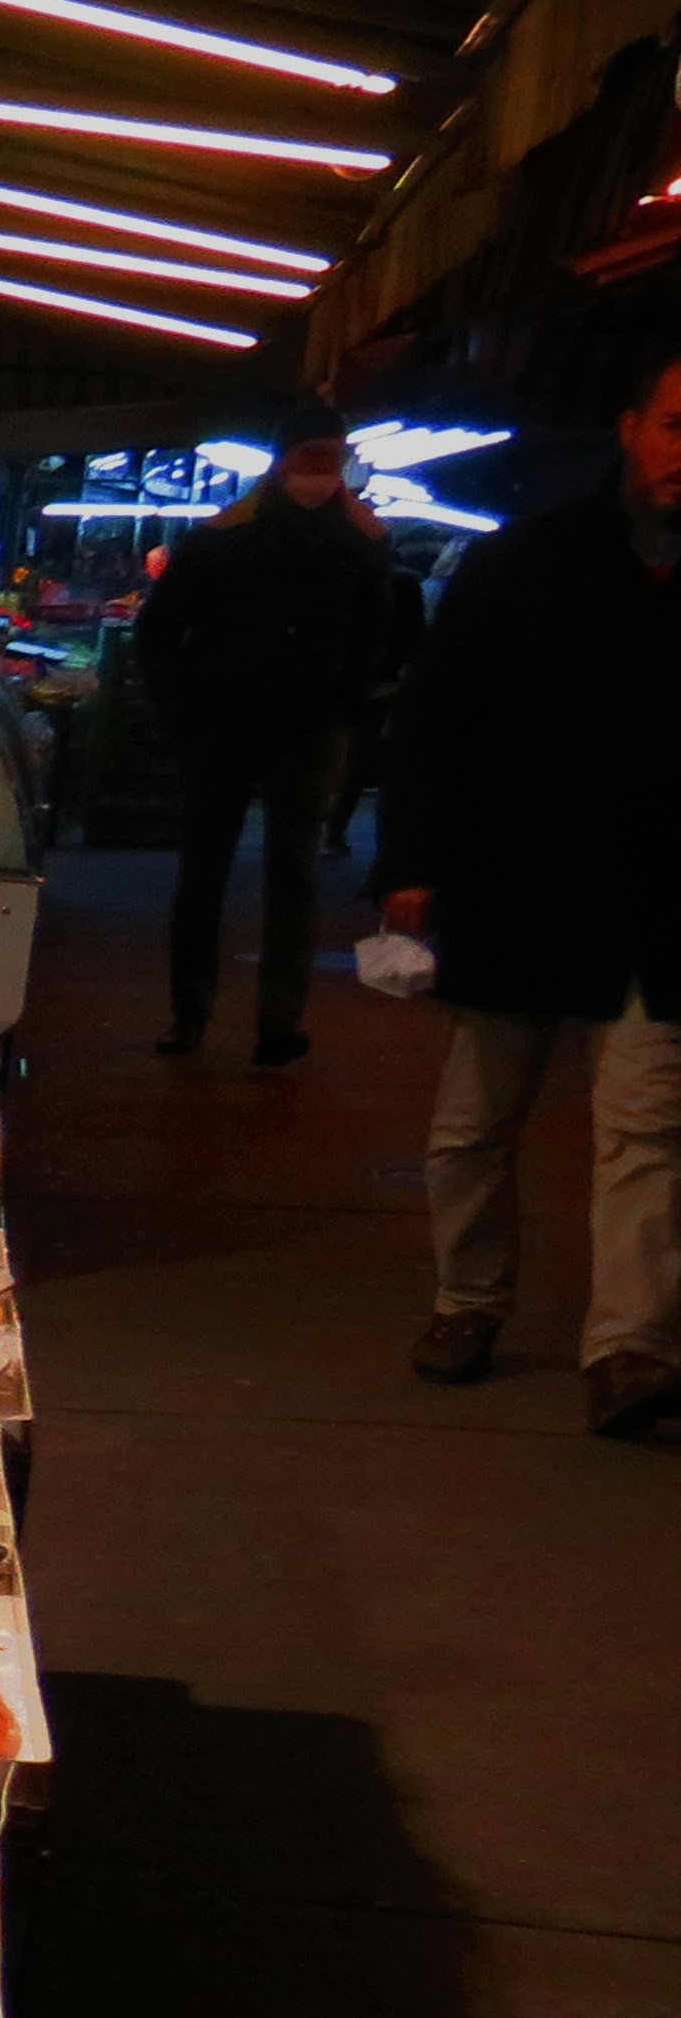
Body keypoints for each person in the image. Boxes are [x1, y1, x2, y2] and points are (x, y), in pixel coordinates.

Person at [371, 339, 681, 1435]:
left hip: (661, 914)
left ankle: (630, 1352)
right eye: (677, 426)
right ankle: (467, 1303)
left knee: (646, 1134)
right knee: (472, 1128)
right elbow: (436, 717)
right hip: (518, 886)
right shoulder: (531, 561)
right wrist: (411, 862)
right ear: (633, 431)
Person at [135, 405, 413, 1062]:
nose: (322, 474)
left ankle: (274, 1024)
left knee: (285, 873)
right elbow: (159, 634)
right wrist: (187, 715)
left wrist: (346, 698)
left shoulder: (360, 543)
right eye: (311, 459)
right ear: (282, 461)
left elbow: (380, 633)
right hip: (230, 725)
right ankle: (195, 1014)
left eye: (331, 461)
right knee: (216, 872)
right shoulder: (223, 539)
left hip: (301, 727)